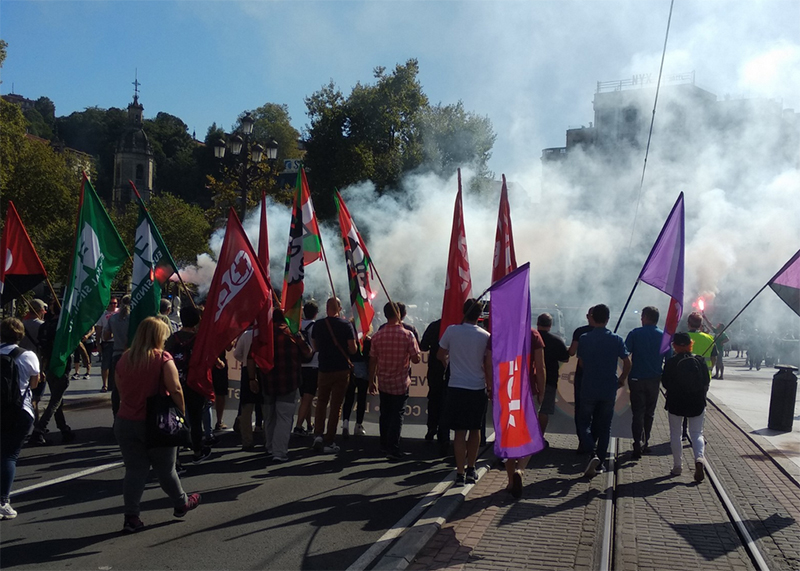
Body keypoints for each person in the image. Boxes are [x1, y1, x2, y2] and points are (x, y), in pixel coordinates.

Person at [114, 317, 201, 532]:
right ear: (158, 336)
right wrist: (181, 413)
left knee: (134, 471)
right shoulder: (162, 358)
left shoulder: (125, 358)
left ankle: (131, 516)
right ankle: (181, 502)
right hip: (156, 422)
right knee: (166, 469)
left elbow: (120, 388)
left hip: (126, 420)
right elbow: (176, 388)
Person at [438, 299, 491, 486]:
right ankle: (471, 468)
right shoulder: (485, 335)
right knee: (475, 429)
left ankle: (460, 473)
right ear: (480, 315)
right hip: (477, 386)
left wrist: (449, 364)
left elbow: (440, 354)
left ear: (463, 311)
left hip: (456, 386)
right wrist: (490, 385)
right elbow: (488, 363)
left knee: (459, 432)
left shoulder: (452, 331)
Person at [577, 304, 631, 478]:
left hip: (589, 386)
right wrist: (622, 379)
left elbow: (581, 363)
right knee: (605, 426)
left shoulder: (584, 338)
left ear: (592, 317)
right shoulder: (616, 339)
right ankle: (600, 461)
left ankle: (591, 451)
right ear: (608, 319)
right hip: (609, 388)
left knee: (583, 422)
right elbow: (627, 362)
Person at [369, 302, 422, 460]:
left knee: (385, 413)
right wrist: (414, 355)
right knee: (397, 414)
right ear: (399, 314)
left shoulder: (378, 335)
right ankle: (393, 447)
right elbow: (416, 359)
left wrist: (371, 380)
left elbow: (372, 360)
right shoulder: (407, 335)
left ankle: (383, 445)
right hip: (400, 381)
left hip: (384, 380)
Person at [259, 309, 312, 462]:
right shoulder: (292, 334)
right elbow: (308, 352)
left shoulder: (265, 334)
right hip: (288, 381)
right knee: (284, 418)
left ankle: (269, 447)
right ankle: (279, 451)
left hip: (268, 381)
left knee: (269, 417)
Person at [1, 317, 41, 519]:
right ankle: (3, 501)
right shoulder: (28, 356)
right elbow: (34, 384)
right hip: (19, 411)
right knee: (9, 455)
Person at [164, 305, 211, 463]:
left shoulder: (173, 338)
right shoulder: (199, 339)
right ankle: (197, 450)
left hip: (175, 381)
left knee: (176, 420)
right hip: (195, 383)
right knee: (196, 418)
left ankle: (174, 458)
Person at [661, 332, 710, 483]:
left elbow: (665, 383)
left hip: (676, 402)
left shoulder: (671, 362)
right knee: (696, 433)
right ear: (691, 344)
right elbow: (706, 381)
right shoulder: (699, 360)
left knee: (675, 434)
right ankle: (699, 458)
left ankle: (677, 466)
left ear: (674, 345)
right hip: (696, 402)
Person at [311, 297, 357, 454]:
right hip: (341, 369)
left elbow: (315, 346)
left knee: (321, 402)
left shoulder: (318, 324)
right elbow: (353, 349)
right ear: (340, 308)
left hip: (324, 368)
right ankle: (329, 440)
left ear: (327, 307)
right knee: (336, 405)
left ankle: (318, 434)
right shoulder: (346, 325)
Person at [624, 306, 668, 459]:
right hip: (654, 379)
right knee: (649, 412)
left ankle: (637, 441)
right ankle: (645, 441)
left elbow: (624, 353)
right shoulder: (664, 337)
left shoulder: (635, 334)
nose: (641, 319)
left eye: (642, 316)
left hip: (636, 378)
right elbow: (668, 360)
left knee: (637, 412)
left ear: (646, 317)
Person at [30, 303, 75, 445]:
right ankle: (39, 430)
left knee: (58, 399)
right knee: (55, 401)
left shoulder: (44, 326)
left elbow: (41, 347)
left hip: (48, 365)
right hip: (61, 366)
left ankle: (64, 429)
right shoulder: (64, 328)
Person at [536, 313, 569, 439]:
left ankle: (525, 438)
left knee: (528, 410)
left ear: (538, 323)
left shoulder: (530, 338)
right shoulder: (556, 341)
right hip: (549, 380)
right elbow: (565, 358)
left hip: (528, 379)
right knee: (544, 411)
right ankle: (539, 438)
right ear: (550, 325)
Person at [568, 307, 596, 452]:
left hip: (582, 376)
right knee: (596, 411)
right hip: (598, 376)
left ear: (588, 316)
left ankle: (583, 441)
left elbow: (571, 352)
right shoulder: (607, 334)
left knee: (580, 410)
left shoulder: (580, 332)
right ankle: (593, 441)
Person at [420, 318, 449, 455]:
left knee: (434, 399)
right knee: (445, 402)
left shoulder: (434, 326)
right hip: (451, 372)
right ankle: (443, 434)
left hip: (435, 370)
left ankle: (432, 428)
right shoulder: (456, 326)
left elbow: (423, 346)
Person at [234, 327, 264, 451]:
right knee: (265, 405)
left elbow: (237, 353)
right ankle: (267, 439)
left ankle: (247, 441)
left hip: (247, 370)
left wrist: (244, 360)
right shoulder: (266, 333)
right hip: (263, 370)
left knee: (247, 406)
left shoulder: (246, 334)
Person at [294, 301, 319, 436]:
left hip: (299, 364)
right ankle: (298, 426)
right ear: (316, 313)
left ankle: (308, 424)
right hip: (312, 364)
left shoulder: (298, 325)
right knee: (308, 397)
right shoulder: (315, 326)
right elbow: (317, 346)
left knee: (304, 397)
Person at [342, 321, 370, 439]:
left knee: (349, 397)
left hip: (350, 368)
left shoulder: (347, 339)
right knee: (361, 398)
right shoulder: (367, 340)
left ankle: (345, 423)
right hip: (363, 369)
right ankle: (358, 425)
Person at [105, 295, 131, 417]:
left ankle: (116, 414)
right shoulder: (134, 319)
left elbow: (106, 336)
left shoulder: (113, 318)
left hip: (117, 353)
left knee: (116, 387)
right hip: (131, 355)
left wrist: (116, 336)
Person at [96, 297, 118, 392]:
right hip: (107, 343)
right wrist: (98, 343)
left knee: (116, 365)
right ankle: (104, 385)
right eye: (111, 303)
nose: (113, 305)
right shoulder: (103, 315)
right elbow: (98, 330)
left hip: (118, 342)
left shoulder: (120, 313)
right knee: (105, 364)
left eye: (115, 303)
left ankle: (115, 384)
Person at [702, 314, 729, 379]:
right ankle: (717, 374)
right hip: (715, 348)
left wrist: (722, 342)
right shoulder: (716, 331)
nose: (717, 326)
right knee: (717, 362)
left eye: (718, 325)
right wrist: (705, 318)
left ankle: (721, 375)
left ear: (721, 327)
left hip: (719, 349)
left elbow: (727, 339)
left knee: (720, 362)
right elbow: (710, 325)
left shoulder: (723, 333)